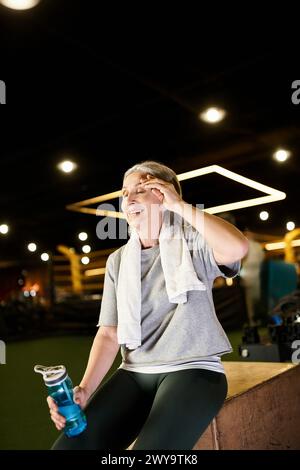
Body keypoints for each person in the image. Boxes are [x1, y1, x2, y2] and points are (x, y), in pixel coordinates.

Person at [49, 160, 249, 450]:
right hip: (134, 372)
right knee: (66, 449)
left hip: (194, 370)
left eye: (141, 188)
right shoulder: (117, 261)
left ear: (164, 193)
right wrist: (83, 391)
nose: (128, 198)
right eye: (125, 192)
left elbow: (237, 248)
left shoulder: (193, 240)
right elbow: (109, 333)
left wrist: (179, 205)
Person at [240, 230, 265, 326]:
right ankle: (252, 320)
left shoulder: (255, 245)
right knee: (251, 299)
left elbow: (261, 259)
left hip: (254, 274)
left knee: (255, 298)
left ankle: (256, 319)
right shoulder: (246, 244)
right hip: (248, 274)